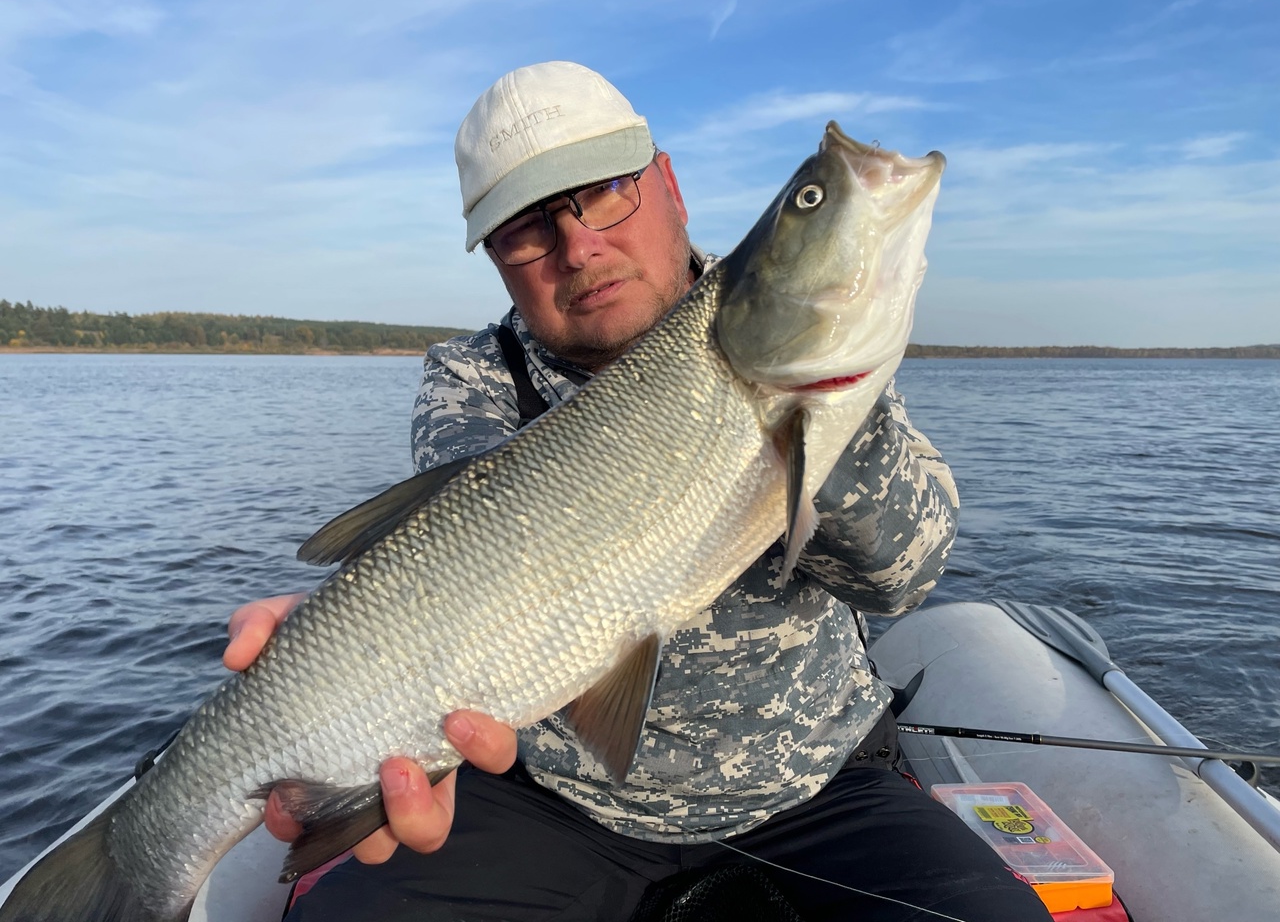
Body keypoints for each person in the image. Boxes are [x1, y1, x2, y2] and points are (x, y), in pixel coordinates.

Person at [225, 61, 1052, 922]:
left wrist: (809, 400)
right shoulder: (471, 379)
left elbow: (900, 578)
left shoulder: (788, 318)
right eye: (526, 228)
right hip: (553, 799)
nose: (579, 247)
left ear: (669, 185)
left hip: (814, 783)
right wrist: (341, 651)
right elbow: (467, 569)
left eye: (605, 192)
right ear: (494, 257)